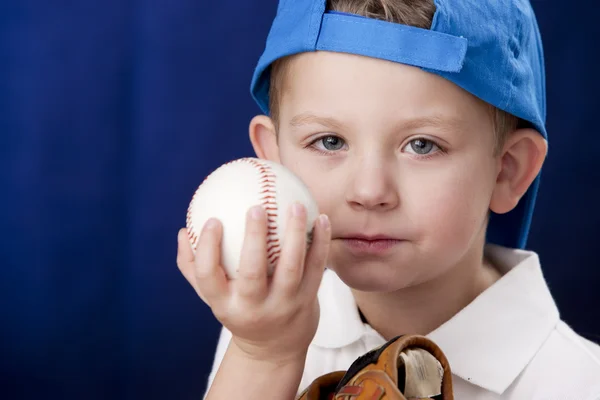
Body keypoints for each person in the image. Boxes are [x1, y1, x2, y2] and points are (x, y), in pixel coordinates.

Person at [176, 0, 600, 398]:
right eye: (329, 141)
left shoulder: (577, 382)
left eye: (421, 145)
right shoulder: (263, 326)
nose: (369, 192)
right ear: (275, 158)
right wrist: (264, 358)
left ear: (507, 170)